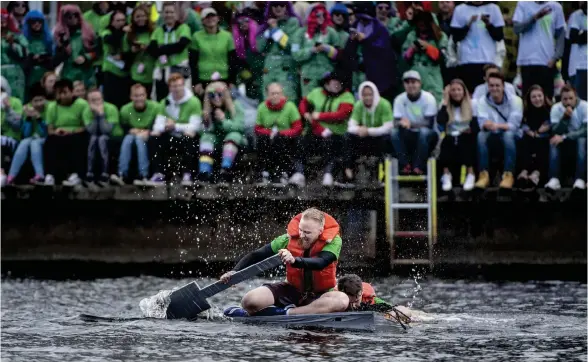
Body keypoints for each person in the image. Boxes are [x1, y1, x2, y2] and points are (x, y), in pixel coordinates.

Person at [222, 208, 349, 317]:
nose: (302, 235)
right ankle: (270, 311)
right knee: (249, 301)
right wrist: (235, 271)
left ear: (320, 231)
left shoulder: (334, 241)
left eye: (307, 232)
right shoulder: (287, 239)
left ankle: (287, 313)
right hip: (291, 290)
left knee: (342, 301)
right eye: (300, 230)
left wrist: (294, 260)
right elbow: (258, 254)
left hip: (321, 295)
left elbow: (321, 262)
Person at [293, 72, 354, 187]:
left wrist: (319, 115)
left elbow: (341, 114)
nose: (337, 84)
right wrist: (306, 113)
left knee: (330, 143)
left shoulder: (347, 96)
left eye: (339, 82)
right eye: (334, 82)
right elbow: (303, 103)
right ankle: (299, 173)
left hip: (337, 134)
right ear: (327, 83)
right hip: (316, 131)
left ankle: (328, 173)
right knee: (301, 141)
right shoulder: (317, 93)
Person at [148, 73, 201, 186]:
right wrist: (165, 127)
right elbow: (157, 125)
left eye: (178, 86)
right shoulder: (165, 102)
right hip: (171, 137)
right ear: (169, 88)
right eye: (173, 86)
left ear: (183, 86)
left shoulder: (193, 101)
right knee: (154, 137)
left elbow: (195, 126)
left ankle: (187, 174)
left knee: (190, 135)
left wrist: (175, 126)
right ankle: (158, 173)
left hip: (185, 138)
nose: (176, 89)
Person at [475, 73, 523, 190]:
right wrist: (494, 126)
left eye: (497, 85)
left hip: (513, 136)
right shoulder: (482, 101)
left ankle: (508, 174)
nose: (494, 88)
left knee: (508, 135)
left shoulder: (516, 100)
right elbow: (483, 124)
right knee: (481, 135)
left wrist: (495, 125)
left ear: (503, 87)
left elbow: (514, 125)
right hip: (494, 135)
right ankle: (483, 175)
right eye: (491, 85)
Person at [513, 1, 565, 101]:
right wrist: (534, 18)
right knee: (528, 100)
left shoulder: (556, 7)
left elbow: (560, 35)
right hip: (527, 61)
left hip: (547, 62)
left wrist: (556, 57)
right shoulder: (523, 4)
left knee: (547, 99)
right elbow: (516, 29)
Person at [344, 81, 393, 184]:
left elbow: (388, 127)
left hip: (379, 139)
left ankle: (385, 177)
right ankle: (348, 173)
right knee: (348, 137)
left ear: (375, 94)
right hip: (365, 139)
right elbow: (350, 127)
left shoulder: (384, 104)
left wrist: (369, 131)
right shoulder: (359, 105)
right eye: (364, 95)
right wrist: (359, 129)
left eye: (370, 94)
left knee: (388, 138)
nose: (367, 98)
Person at [450, 1, 505, 93]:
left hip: (488, 60)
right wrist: (468, 24)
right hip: (467, 59)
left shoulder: (493, 8)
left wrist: (488, 24)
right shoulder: (460, 9)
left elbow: (499, 36)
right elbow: (456, 37)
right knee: (470, 92)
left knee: (488, 91)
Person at [391, 70, 438, 176]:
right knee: (394, 133)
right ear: (404, 85)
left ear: (420, 83)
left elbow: (429, 123)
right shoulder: (399, 99)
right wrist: (401, 124)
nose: (410, 85)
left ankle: (418, 166)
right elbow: (396, 121)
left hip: (429, 136)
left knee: (423, 132)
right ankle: (405, 165)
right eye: (407, 82)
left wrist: (410, 124)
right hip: (409, 134)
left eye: (413, 82)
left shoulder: (428, 98)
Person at [43, 79, 89, 186]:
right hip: (59, 134)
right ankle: (50, 175)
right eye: (59, 93)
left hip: (77, 133)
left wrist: (70, 131)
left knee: (76, 141)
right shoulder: (52, 107)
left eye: (65, 93)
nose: (62, 96)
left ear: (72, 92)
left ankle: (76, 175)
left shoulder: (82, 104)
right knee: (50, 141)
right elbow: (50, 129)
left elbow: (86, 127)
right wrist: (56, 132)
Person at [197, 81, 245, 183]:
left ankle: (226, 170)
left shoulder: (236, 106)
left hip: (234, 143)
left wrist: (223, 120)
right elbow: (202, 132)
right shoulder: (207, 109)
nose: (216, 97)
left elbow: (240, 127)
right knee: (206, 137)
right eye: (211, 95)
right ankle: (205, 172)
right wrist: (207, 122)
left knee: (233, 135)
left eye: (219, 94)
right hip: (217, 141)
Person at [111, 84, 159, 186]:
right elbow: (123, 127)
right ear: (131, 97)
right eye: (136, 96)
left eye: (141, 95)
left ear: (146, 95)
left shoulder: (155, 107)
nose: (139, 98)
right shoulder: (125, 109)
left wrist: (148, 131)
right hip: (133, 133)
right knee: (128, 138)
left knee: (139, 139)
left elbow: (158, 124)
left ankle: (144, 175)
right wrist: (130, 130)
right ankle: (122, 174)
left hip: (149, 134)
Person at [254, 82, 302, 184]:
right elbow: (257, 128)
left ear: (282, 94)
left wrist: (281, 133)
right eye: (272, 93)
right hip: (268, 139)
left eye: (278, 93)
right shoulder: (262, 107)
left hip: (286, 140)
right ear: (268, 95)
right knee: (262, 139)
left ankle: (281, 173)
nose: (275, 96)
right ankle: (263, 173)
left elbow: (298, 128)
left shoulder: (290, 106)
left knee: (279, 140)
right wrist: (270, 133)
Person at [256, 2, 302, 103]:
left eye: (282, 5)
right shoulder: (266, 23)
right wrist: (267, 34)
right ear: (270, 8)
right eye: (275, 5)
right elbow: (259, 48)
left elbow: (290, 46)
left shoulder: (293, 22)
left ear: (287, 7)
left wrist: (275, 30)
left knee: (287, 97)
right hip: (269, 67)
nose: (278, 8)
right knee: (267, 97)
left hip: (286, 66)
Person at [437, 80, 477, 191]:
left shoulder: (472, 103)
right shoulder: (444, 104)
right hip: (451, 136)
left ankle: (470, 173)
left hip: (467, 135)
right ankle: (446, 174)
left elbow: (476, 125)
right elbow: (441, 121)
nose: (456, 93)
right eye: (453, 90)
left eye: (459, 90)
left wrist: (469, 130)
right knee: (446, 140)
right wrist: (445, 101)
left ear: (464, 91)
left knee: (466, 139)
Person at [292, 3, 340, 97]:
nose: (321, 17)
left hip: (326, 76)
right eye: (318, 15)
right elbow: (295, 54)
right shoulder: (300, 33)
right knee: (309, 102)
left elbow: (338, 55)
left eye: (323, 15)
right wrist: (311, 50)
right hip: (308, 77)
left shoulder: (331, 32)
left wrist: (327, 48)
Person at [545, 86, 587, 191]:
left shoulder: (584, 106)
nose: (568, 101)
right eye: (565, 99)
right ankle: (554, 178)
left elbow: (585, 130)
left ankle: (580, 178)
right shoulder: (556, 108)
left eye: (571, 98)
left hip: (579, 139)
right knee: (553, 140)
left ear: (575, 97)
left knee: (581, 140)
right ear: (561, 99)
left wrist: (565, 136)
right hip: (564, 141)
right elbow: (555, 131)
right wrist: (565, 118)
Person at [148, 2, 192, 101]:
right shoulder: (158, 31)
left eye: (172, 12)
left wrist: (162, 48)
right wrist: (172, 46)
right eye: (166, 12)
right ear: (162, 14)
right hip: (162, 71)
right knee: (162, 100)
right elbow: (152, 50)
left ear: (176, 14)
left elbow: (180, 46)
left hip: (180, 70)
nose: (169, 15)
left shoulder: (183, 28)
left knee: (183, 99)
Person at [6, 83, 47, 185]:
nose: (38, 104)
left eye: (41, 100)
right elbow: (26, 133)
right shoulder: (28, 109)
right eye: (35, 101)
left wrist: (39, 118)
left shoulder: (50, 108)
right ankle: (11, 176)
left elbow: (45, 132)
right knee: (24, 142)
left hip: (46, 137)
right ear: (31, 102)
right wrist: (28, 119)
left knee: (34, 144)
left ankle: (39, 174)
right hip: (32, 138)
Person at [402, 11, 447, 103]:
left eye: (424, 24)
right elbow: (405, 57)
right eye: (419, 24)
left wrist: (428, 48)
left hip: (432, 74)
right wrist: (412, 49)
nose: (421, 26)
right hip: (415, 72)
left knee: (435, 101)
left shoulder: (439, 36)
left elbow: (443, 58)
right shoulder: (412, 35)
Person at [190, 8, 237, 96]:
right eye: (207, 17)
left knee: (223, 107)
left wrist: (232, 81)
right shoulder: (196, 37)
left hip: (223, 77)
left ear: (218, 18)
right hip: (203, 78)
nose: (210, 19)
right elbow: (193, 62)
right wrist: (195, 82)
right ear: (202, 21)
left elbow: (233, 60)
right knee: (205, 107)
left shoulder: (227, 36)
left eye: (213, 16)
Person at [82, 88, 123, 183]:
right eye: (93, 100)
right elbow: (92, 131)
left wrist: (101, 114)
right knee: (94, 138)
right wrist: (96, 115)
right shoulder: (86, 111)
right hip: (97, 136)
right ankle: (90, 172)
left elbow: (106, 130)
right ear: (88, 102)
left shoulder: (111, 108)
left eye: (99, 99)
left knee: (101, 139)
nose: (97, 102)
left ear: (102, 99)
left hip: (114, 136)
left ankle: (105, 172)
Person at [335, 274, 413, 324]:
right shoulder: (334, 298)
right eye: (350, 302)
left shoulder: (372, 301)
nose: (354, 305)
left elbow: (403, 310)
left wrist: (390, 316)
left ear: (361, 293)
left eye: (357, 300)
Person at [53, 5, 98, 88]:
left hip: (86, 74)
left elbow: (97, 51)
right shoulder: (60, 35)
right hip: (68, 74)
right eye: (69, 16)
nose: (73, 18)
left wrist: (85, 58)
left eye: (76, 15)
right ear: (64, 18)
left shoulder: (88, 33)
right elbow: (55, 59)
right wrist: (64, 52)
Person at [517, 85, 551, 189]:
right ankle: (524, 171)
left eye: (539, 96)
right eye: (534, 97)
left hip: (545, 137)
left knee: (543, 143)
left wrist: (544, 129)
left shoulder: (549, 109)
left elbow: (550, 124)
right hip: (530, 137)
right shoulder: (526, 111)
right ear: (529, 99)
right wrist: (529, 131)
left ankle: (537, 173)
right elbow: (523, 125)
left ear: (544, 96)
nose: (537, 99)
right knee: (524, 141)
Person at [122, 5, 156, 97]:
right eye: (137, 16)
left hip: (153, 72)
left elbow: (159, 51)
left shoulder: (154, 31)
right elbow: (124, 55)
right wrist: (133, 51)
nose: (141, 19)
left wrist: (148, 48)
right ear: (133, 18)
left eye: (143, 16)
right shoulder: (129, 34)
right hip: (136, 73)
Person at [232, 10, 263, 101]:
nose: (243, 23)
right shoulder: (235, 40)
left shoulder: (259, 35)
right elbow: (237, 62)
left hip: (261, 72)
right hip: (247, 73)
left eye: (246, 20)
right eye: (240, 22)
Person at [100, 10, 129, 109]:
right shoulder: (106, 32)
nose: (121, 23)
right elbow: (111, 40)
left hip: (125, 73)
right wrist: (122, 31)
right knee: (111, 103)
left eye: (123, 20)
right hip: (111, 73)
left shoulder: (128, 33)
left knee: (124, 103)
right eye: (118, 20)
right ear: (112, 22)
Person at [22, 10, 54, 94]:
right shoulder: (24, 39)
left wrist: (43, 58)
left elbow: (52, 57)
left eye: (39, 21)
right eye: (33, 22)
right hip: (30, 76)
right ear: (29, 23)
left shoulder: (48, 39)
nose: (37, 24)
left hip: (45, 75)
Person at [0, 76, 23, 187]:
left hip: (12, 138)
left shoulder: (15, 102)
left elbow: (17, 125)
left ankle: (1, 173)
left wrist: (8, 110)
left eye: (1, 90)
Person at [1, 8, 28, 102]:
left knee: (16, 100)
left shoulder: (16, 35)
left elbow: (24, 53)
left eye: (3, 18)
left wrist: (12, 44)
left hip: (14, 72)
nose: (1, 21)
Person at [568, 3, 587, 101]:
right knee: (580, 102)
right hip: (581, 66)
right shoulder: (576, 15)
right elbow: (573, 37)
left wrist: (583, 32)